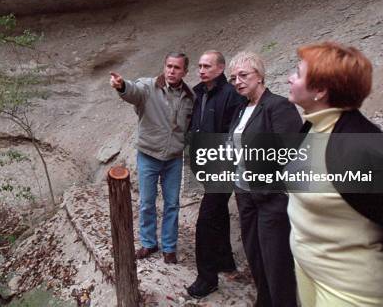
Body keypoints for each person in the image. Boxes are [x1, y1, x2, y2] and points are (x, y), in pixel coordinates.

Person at [286, 41, 383, 306]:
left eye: (298, 74)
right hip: (309, 270)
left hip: (353, 288)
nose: (290, 77)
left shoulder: (360, 146)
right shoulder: (312, 128)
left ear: (321, 91)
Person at [228, 51, 301, 307]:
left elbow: (291, 152)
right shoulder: (241, 109)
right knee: (255, 255)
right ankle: (264, 301)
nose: (237, 81)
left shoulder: (278, 106)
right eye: (233, 78)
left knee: (276, 260)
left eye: (243, 75)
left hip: (270, 197)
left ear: (259, 76)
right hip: (245, 194)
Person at [110, 52, 194, 264]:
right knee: (147, 203)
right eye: (169, 66)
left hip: (174, 158)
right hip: (149, 155)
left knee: (172, 204)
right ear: (164, 66)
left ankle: (169, 247)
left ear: (184, 71)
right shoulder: (148, 87)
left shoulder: (190, 96)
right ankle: (148, 243)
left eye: (177, 68)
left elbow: (190, 126)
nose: (172, 71)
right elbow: (133, 92)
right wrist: (122, 86)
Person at [186, 50, 244, 298]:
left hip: (223, 167)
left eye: (207, 66)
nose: (201, 70)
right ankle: (225, 261)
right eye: (199, 65)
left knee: (206, 220)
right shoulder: (198, 92)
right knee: (218, 212)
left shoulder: (231, 95)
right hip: (205, 165)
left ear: (220, 69)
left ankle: (206, 278)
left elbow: (235, 132)